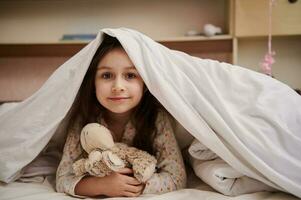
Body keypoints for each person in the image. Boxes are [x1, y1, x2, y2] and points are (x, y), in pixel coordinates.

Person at [56, 34, 187, 198]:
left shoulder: (156, 117)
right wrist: (99, 185)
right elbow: (63, 179)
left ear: (145, 84)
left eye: (130, 75)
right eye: (106, 75)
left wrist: (132, 185)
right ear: (93, 83)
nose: (118, 86)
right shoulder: (84, 118)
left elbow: (177, 177)